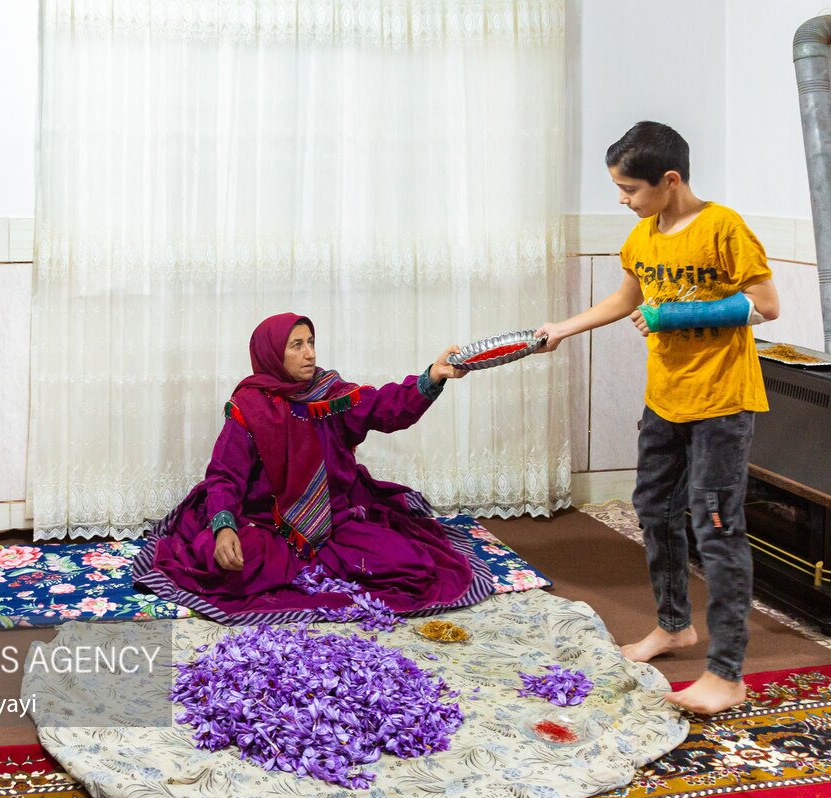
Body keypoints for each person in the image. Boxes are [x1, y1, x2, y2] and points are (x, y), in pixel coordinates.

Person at [536, 121, 780, 714]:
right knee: (653, 510)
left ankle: (727, 673)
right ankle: (674, 625)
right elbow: (629, 297)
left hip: (723, 402)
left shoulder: (723, 226)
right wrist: (562, 330)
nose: (622, 199)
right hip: (665, 399)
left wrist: (669, 320)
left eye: (630, 188)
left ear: (669, 181)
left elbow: (766, 305)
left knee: (717, 527)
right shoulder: (645, 235)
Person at [132, 312, 494, 624]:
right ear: (272, 353)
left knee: (414, 568)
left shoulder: (330, 394)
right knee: (217, 564)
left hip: (334, 520)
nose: (310, 353)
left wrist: (432, 376)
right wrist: (225, 526)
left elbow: (385, 408)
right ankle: (306, 566)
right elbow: (224, 476)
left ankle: (312, 565)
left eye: (311, 342)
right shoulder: (249, 407)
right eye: (296, 345)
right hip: (266, 523)